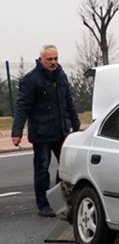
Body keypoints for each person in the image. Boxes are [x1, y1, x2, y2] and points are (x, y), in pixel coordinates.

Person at [12, 45, 80, 217]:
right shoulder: (31, 80)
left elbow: (69, 102)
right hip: (42, 132)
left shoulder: (61, 76)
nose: (53, 62)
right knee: (42, 168)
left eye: (55, 58)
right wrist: (17, 131)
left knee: (65, 167)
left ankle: (60, 199)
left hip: (61, 131)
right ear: (41, 59)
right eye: (49, 59)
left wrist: (76, 125)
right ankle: (43, 204)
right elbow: (22, 107)